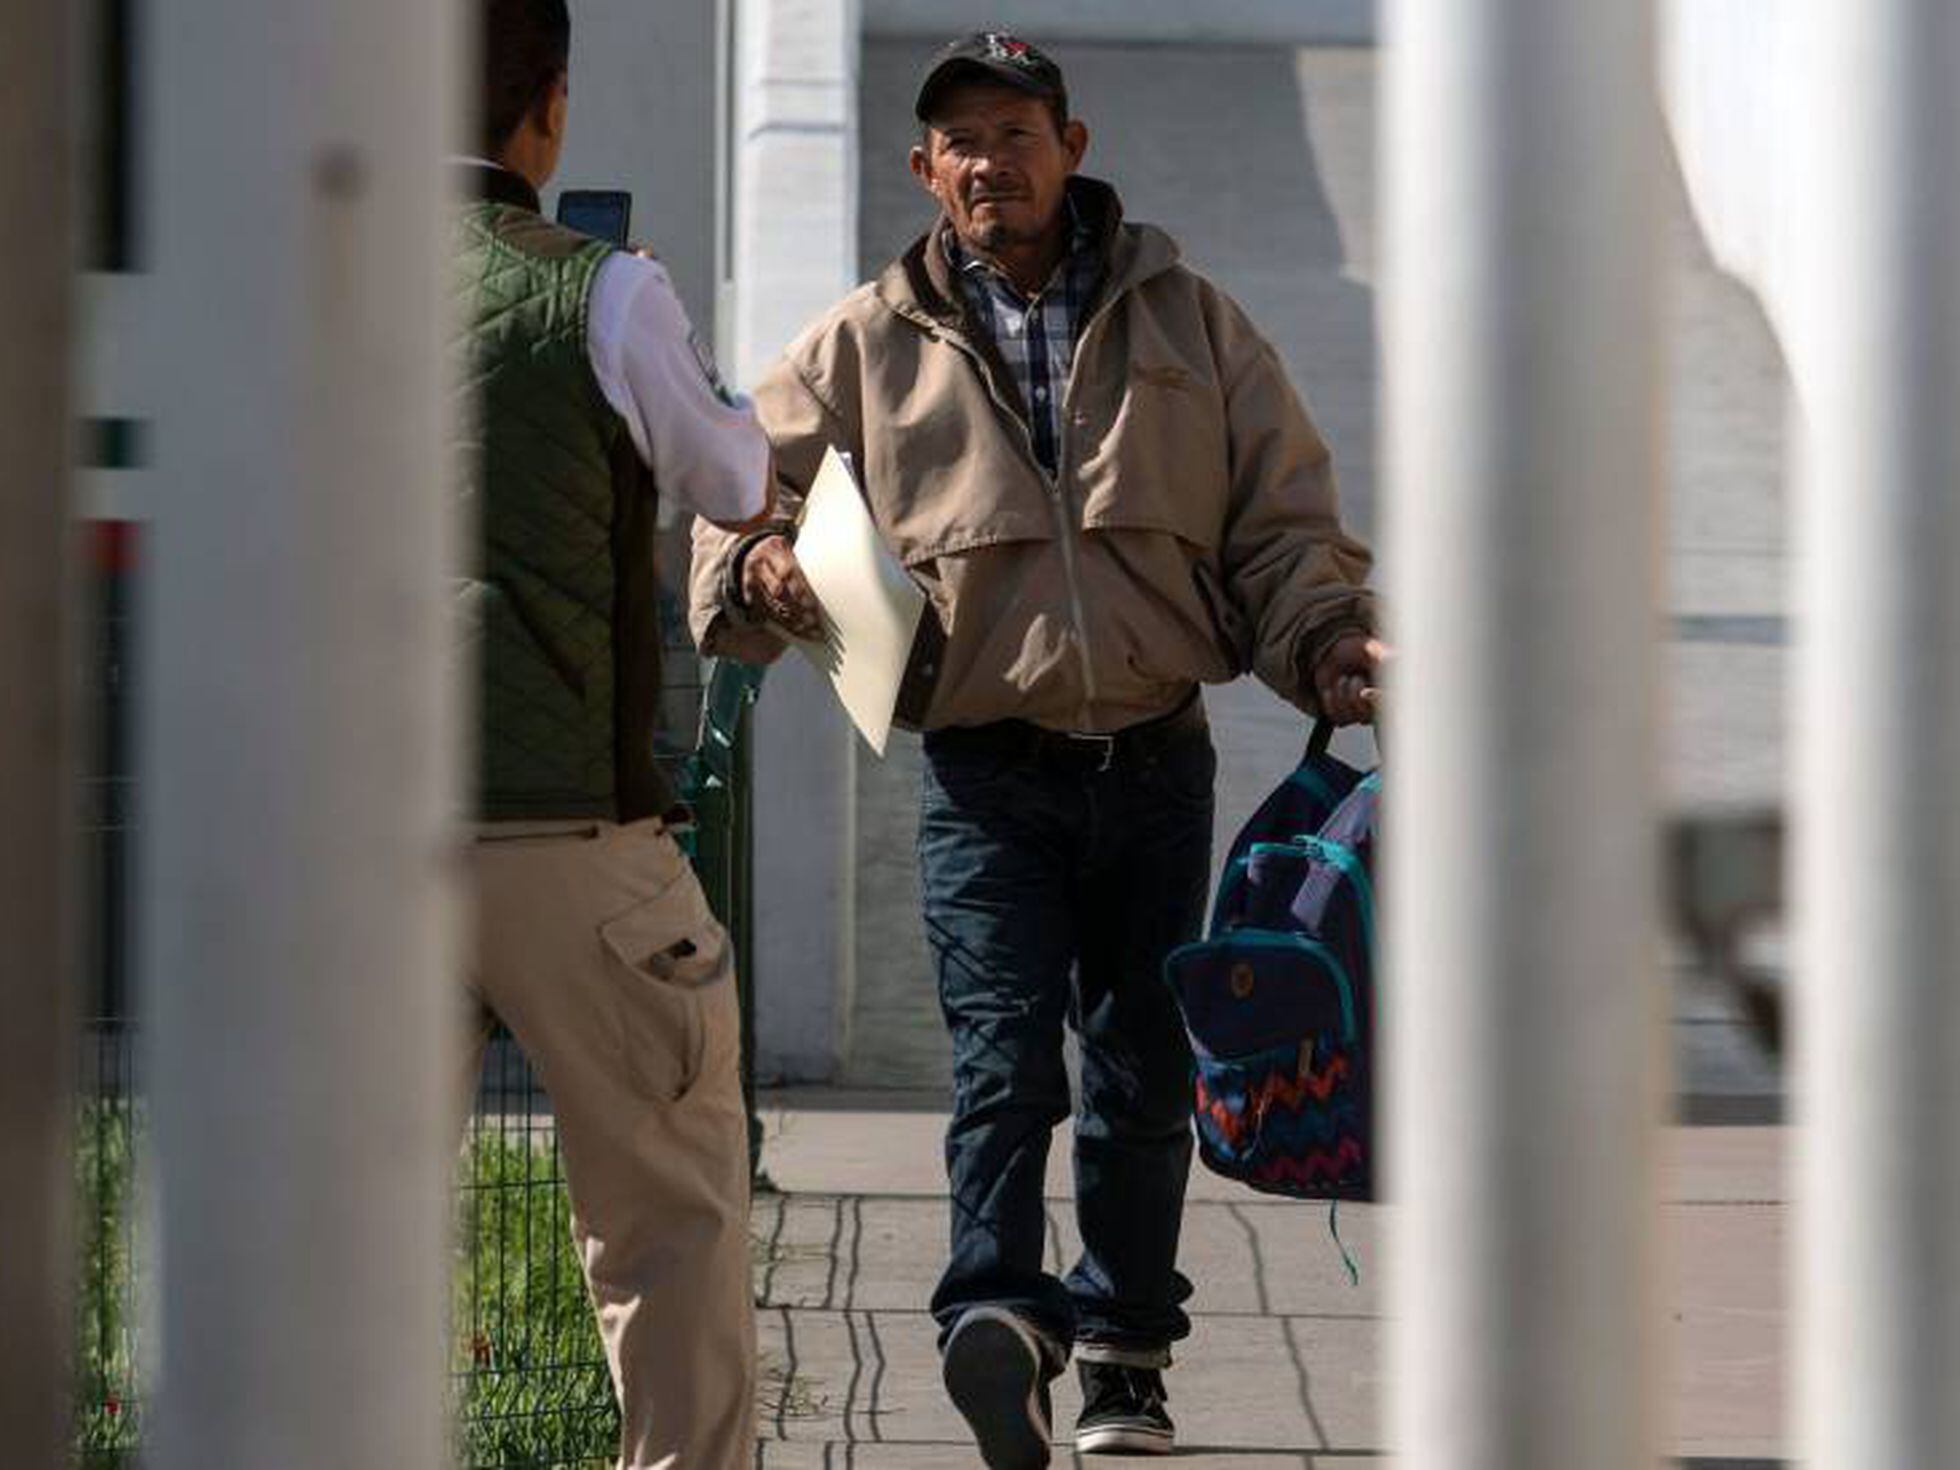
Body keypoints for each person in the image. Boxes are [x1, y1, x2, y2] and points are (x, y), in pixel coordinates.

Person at [690, 31, 1381, 1468]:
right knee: (1006, 1060)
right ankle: (995, 1318)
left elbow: (1284, 524)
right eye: (963, 139)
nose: (991, 160)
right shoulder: (865, 343)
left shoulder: (1191, 320)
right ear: (923, 169)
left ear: (1072, 144)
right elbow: (735, 484)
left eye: (1017, 131)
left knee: (1139, 1067)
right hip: (983, 771)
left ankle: (1126, 1350)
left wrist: (1329, 642)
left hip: (1156, 757)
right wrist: (756, 568)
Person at [454, 2, 772, 1465]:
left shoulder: (299, 284)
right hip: (569, 834)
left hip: (344, 828)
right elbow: (730, 477)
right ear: (552, 106)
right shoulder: (602, 288)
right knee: (670, 1211)